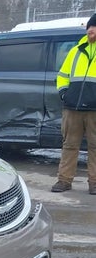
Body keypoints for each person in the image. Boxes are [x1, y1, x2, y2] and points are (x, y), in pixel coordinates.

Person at [52, 13, 96, 194]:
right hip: (73, 108)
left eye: (94, 28)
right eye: (89, 28)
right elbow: (62, 75)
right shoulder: (75, 51)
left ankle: (94, 183)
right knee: (69, 145)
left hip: (95, 110)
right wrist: (64, 94)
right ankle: (64, 181)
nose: (91, 31)